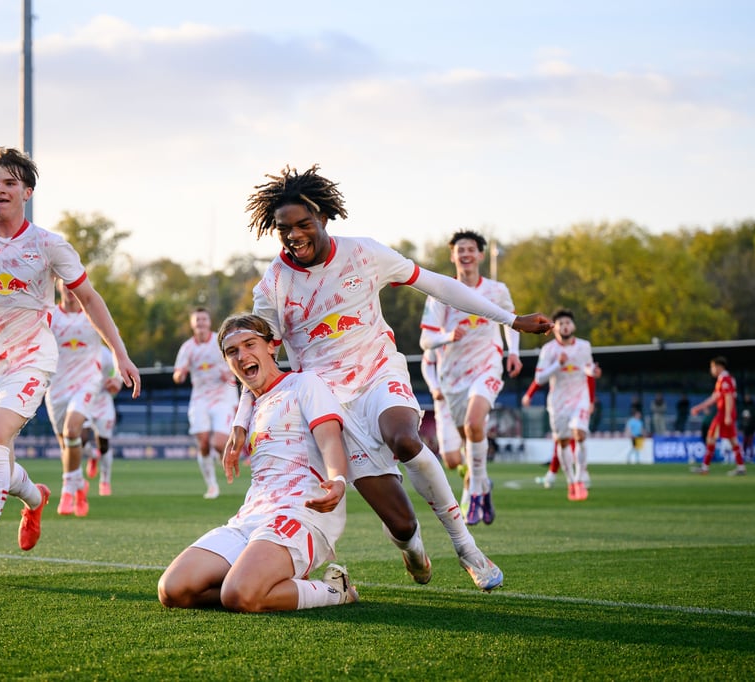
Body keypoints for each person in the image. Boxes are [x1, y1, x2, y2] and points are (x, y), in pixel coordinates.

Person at [226, 164, 552, 592]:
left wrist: (511, 319)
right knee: (401, 523)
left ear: (323, 217)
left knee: (403, 437)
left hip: (380, 373)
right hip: (328, 404)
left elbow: (437, 284)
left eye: (303, 223)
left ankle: (467, 547)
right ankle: (413, 547)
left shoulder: (364, 253)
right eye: (284, 229)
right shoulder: (272, 286)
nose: (294, 235)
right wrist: (240, 420)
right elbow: (257, 366)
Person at [0, 146, 140, 581]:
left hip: (30, 359)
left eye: (8, 183)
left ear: (28, 190)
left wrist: (118, 351)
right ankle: (36, 498)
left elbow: (91, 299)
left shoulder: (49, 245)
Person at [158, 313, 357, 612]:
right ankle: (253, 581)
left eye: (250, 344)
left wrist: (338, 480)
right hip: (251, 517)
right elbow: (249, 393)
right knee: (173, 591)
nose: (242, 356)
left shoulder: (305, 383)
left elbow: (330, 438)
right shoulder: (251, 403)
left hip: (301, 513)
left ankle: (333, 590)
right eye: (232, 352)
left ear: (271, 348)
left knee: (240, 596)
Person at [420, 230, 525, 525]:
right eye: (460, 250)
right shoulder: (441, 292)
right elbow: (425, 341)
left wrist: (513, 353)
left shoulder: (496, 289)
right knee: (466, 442)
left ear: (479, 255)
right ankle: (482, 483)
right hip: (453, 376)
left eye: (471, 249)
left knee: (474, 423)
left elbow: (511, 322)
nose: (465, 254)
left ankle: (476, 493)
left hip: (487, 365)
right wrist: (446, 336)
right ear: (453, 256)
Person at [44, 280, 124, 517]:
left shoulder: (93, 313)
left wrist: (118, 377)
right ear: (58, 287)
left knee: (72, 431)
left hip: (87, 383)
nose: (70, 290)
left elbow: (115, 345)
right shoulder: (49, 316)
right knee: (66, 446)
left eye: (73, 284)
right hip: (56, 387)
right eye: (64, 285)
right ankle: (79, 484)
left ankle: (68, 488)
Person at [521, 309, 601, 501]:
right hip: (558, 402)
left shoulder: (584, 346)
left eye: (568, 322)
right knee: (563, 442)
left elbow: (588, 371)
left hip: (579, 398)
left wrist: (593, 382)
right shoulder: (549, 350)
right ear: (555, 327)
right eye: (561, 323)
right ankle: (571, 481)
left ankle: (581, 477)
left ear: (573, 326)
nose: (565, 326)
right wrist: (557, 364)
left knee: (579, 434)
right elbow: (539, 377)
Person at [173, 307, 239, 499]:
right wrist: (180, 374)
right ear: (192, 324)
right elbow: (177, 375)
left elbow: (236, 362)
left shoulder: (220, 342)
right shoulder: (187, 348)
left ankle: (221, 455)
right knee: (202, 442)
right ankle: (212, 486)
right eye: (197, 320)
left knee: (219, 444)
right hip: (200, 398)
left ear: (209, 322)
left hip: (222, 398)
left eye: (204, 319)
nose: (201, 323)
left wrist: (230, 372)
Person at [420, 347, 468, 512]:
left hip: (467, 395)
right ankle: (469, 466)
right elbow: (426, 363)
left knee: (470, 441)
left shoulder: (472, 334)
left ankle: (469, 498)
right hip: (444, 400)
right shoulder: (438, 336)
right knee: (451, 461)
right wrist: (434, 387)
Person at [690, 356, 746, 476]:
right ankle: (741, 467)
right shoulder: (723, 379)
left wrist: (728, 416)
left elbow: (729, 397)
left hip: (724, 413)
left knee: (711, 437)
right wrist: (699, 408)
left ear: (719, 367)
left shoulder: (725, 379)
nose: (711, 370)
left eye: (712, 367)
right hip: (725, 413)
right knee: (732, 440)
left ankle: (705, 467)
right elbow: (714, 398)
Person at [81, 345, 124, 496]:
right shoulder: (75, 349)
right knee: (80, 438)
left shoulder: (106, 353)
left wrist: (117, 381)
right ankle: (93, 456)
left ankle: (105, 481)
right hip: (82, 400)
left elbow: (119, 370)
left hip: (103, 401)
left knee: (104, 444)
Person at [741, 393, 755, 462]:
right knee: (745, 443)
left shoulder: (753, 407)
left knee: (750, 443)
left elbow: (754, 418)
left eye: (747, 397)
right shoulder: (744, 406)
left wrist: (754, 427)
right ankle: (744, 456)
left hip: (751, 429)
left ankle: (751, 457)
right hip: (746, 429)